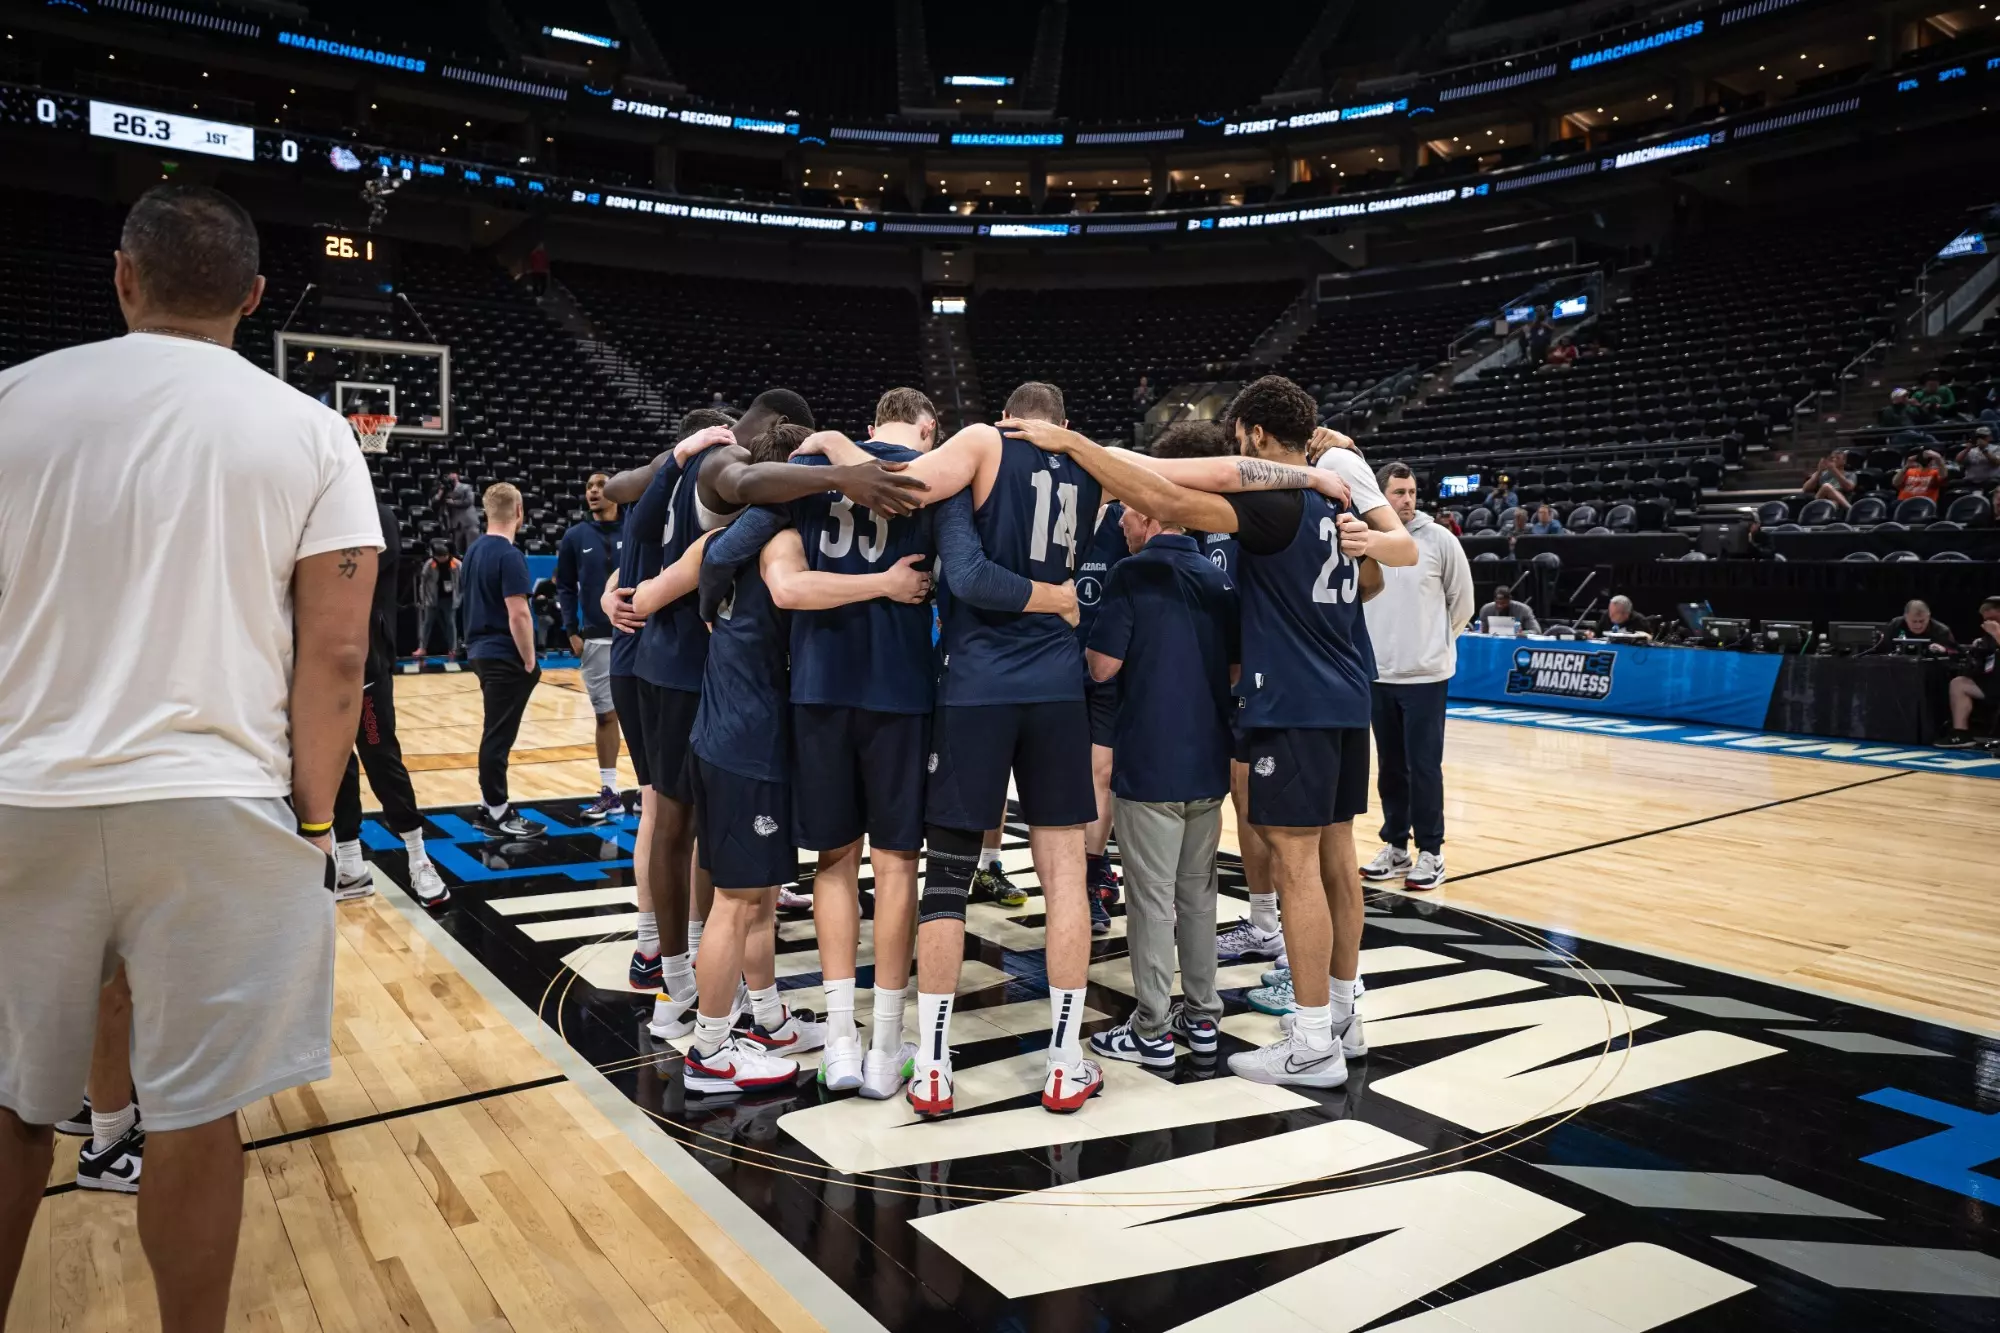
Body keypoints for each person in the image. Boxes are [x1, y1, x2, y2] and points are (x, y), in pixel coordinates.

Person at [0, 183, 380, 1330]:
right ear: (257, 298)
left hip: (24, 793)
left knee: (15, 1110)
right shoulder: (311, 429)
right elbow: (337, 655)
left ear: (124, 276)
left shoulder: (13, 399)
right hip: (224, 808)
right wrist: (315, 823)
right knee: (198, 1116)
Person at [800, 380, 1341, 1112]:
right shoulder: (1090, 463)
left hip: (975, 689)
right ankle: (1064, 1057)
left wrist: (836, 444)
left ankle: (928, 1064)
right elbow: (1211, 473)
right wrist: (1308, 471)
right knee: (1065, 880)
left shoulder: (980, 445)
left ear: (1006, 416)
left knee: (949, 884)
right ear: (1063, 423)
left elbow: (914, 496)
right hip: (1056, 688)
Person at [1001, 374, 1419, 1091]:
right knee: (1337, 858)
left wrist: (1077, 445)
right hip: (1350, 691)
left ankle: (1313, 1038)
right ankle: (1347, 1016)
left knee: (1295, 868)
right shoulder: (1339, 493)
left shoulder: (1278, 499)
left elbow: (1166, 496)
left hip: (1294, 701)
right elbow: (1377, 579)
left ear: (1256, 435)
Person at [617, 389, 927, 1032]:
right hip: (744, 734)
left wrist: (649, 602)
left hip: (714, 717)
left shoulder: (723, 541)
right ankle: (702, 1034)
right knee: (738, 899)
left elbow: (646, 588)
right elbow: (785, 588)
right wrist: (886, 581)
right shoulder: (773, 532)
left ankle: (759, 1013)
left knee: (744, 888)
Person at [689, 387, 948, 1099]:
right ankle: (885, 1041)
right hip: (899, 690)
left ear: (871, 422)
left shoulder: (804, 475)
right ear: (926, 428)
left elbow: (722, 553)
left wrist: (832, 447)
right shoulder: (932, 475)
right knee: (895, 868)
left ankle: (839, 1038)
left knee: (834, 863)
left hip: (819, 690)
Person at [1083, 500, 1238, 1067]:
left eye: (1125, 515)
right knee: (1198, 896)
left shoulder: (1134, 572)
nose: (1120, 524)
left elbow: (1102, 666)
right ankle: (1202, 1019)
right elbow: (1235, 671)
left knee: (1151, 901)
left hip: (1150, 759)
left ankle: (1150, 1029)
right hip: (1207, 762)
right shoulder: (1219, 577)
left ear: (1149, 517)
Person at [602, 410, 736, 991]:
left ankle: (651, 943)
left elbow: (626, 545)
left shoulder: (654, 488)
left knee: (656, 808)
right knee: (673, 812)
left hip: (633, 655)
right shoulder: (692, 486)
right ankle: (685, 946)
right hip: (659, 656)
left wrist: (611, 594)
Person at [1360, 462, 1472, 894]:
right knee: (1390, 769)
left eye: (1411, 492)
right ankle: (1395, 846)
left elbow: (1462, 604)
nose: (1406, 499)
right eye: (1398, 492)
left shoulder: (1440, 540)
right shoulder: (1366, 541)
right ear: (1380, 495)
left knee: (1423, 766)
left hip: (1425, 677)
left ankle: (1431, 851)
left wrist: (1433, 647)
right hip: (1379, 675)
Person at [331, 500, 450, 907]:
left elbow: (349, 579)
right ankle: (349, 865)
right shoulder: (306, 514)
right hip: (316, 667)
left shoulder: (375, 514)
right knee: (335, 764)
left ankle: (419, 858)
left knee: (381, 757)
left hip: (364, 663)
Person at [460, 483, 549, 840]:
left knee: (495, 733)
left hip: (480, 650)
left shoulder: (473, 551)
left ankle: (487, 804)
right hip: (503, 654)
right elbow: (519, 615)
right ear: (519, 511)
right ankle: (497, 810)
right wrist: (529, 659)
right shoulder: (510, 556)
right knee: (498, 737)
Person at [1074, 490, 1132, 931]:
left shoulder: (1122, 520)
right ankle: (1072, 869)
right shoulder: (1051, 513)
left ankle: (1091, 874)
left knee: (1103, 771)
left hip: (1109, 665)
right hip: (1053, 661)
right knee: (1061, 777)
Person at [555, 472, 626, 820]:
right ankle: (610, 792)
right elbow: (565, 586)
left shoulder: (638, 529)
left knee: (646, 715)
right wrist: (571, 629)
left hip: (637, 635)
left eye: (601, 485)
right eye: (589, 487)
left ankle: (652, 789)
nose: (594, 491)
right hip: (595, 637)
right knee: (605, 715)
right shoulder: (575, 536)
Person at [1938, 597, 2000, 747]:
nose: (1989, 623)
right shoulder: (1987, 638)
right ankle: (1961, 734)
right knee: (1958, 683)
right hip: (1994, 685)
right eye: (1986, 620)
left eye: (1994, 618)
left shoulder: (1996, 633)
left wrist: (1997, 634)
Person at [414, 539, 460, 659]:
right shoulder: (430, 564)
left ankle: (453, 649)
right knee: (427, 623)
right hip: (432, 599)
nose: (441, 559)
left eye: (444, 556)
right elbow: (422, 583)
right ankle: (422, 648)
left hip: (449, 599)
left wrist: (459, 597)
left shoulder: (457, 564)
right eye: (439, 557)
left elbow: (464, 582)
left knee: (450, 623)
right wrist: (423, 599)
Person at [1877, 599, 1955, 654]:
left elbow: (1957, 654)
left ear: (1928, 617)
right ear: (1905, 617)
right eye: (1914, 621)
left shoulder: (1941, 631)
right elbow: (1880, 650)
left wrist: (1944, 650)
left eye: (1922, 621)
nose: (1918, 625)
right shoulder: (1895, 625)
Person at [437, 471, 479, 555]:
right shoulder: (446, 489)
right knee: (457, 550)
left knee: (472, 549)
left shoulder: (466, 487)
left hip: (469, 522)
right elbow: (437, 500)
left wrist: (454, 502)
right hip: (456, 525)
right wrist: (442, 490)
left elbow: (469, 501)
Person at [1472, 584, 1539, 633]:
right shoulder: (1486, 609)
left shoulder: (1523, 610)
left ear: (1510, 600)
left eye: (1503, 603)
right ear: (1494, 600)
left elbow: (1536, 631)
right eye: (1498, 603)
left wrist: (1523, 633)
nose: (1500, 606)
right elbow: (1479, 630)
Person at [1586, 594, 1654, 640]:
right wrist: (1591, 634)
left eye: (1614, 613)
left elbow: (1650, 638)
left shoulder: (1639, 620)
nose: (1610, 615)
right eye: (1610, 611)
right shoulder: (1606, 616)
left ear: (1626, 614)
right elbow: (1596, 632)